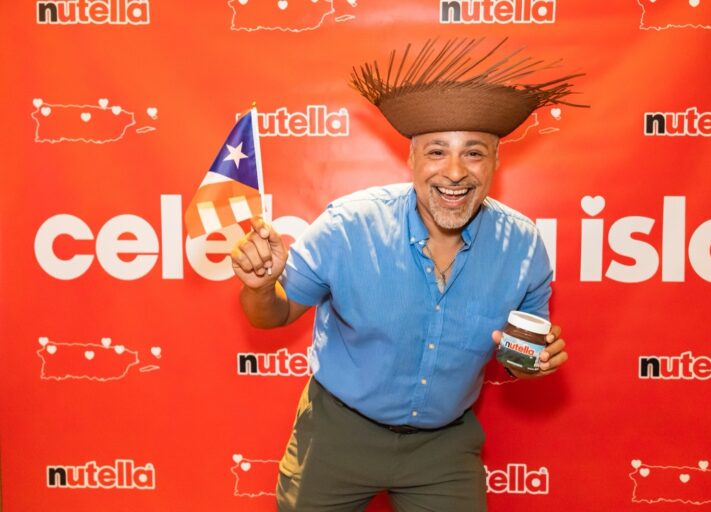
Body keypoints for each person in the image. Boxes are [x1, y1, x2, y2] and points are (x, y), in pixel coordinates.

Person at [231, 39, 583, 511]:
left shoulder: (523, 247)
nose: (454, 172)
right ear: (412, 159)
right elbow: (270, 315)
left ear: (496, 161)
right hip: (336, 435)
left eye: (473, 153)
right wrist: (259, 287)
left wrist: (532, 362)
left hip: (443, 448)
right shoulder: (348, 225)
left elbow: (519, 355)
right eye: (437, 152)